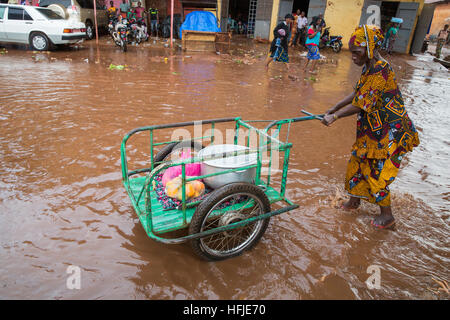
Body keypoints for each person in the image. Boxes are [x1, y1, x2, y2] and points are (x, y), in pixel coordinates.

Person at [321, 25, 420, 229]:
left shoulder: (381, 70)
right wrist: (334, 106)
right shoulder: (369, 67)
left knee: (376, 171)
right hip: (372, 130)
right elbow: (357, 93)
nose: (353, 57)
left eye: (357, 52)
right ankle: (354, 201)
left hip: (389, 132)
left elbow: (361, 104)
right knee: (357, 163)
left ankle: (387, 216)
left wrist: (336, 116)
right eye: (352, 53)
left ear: (370, 48)